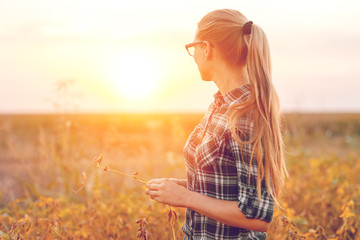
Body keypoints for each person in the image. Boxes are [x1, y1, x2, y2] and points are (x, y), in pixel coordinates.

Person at [145, 9, 288, 240]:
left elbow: (257, 217)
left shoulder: (245, 116)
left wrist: (185, 198)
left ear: (207, 48)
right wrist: (182, 187)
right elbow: (224, 184)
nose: (193, 56)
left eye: (193, 48)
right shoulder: (219, 105)